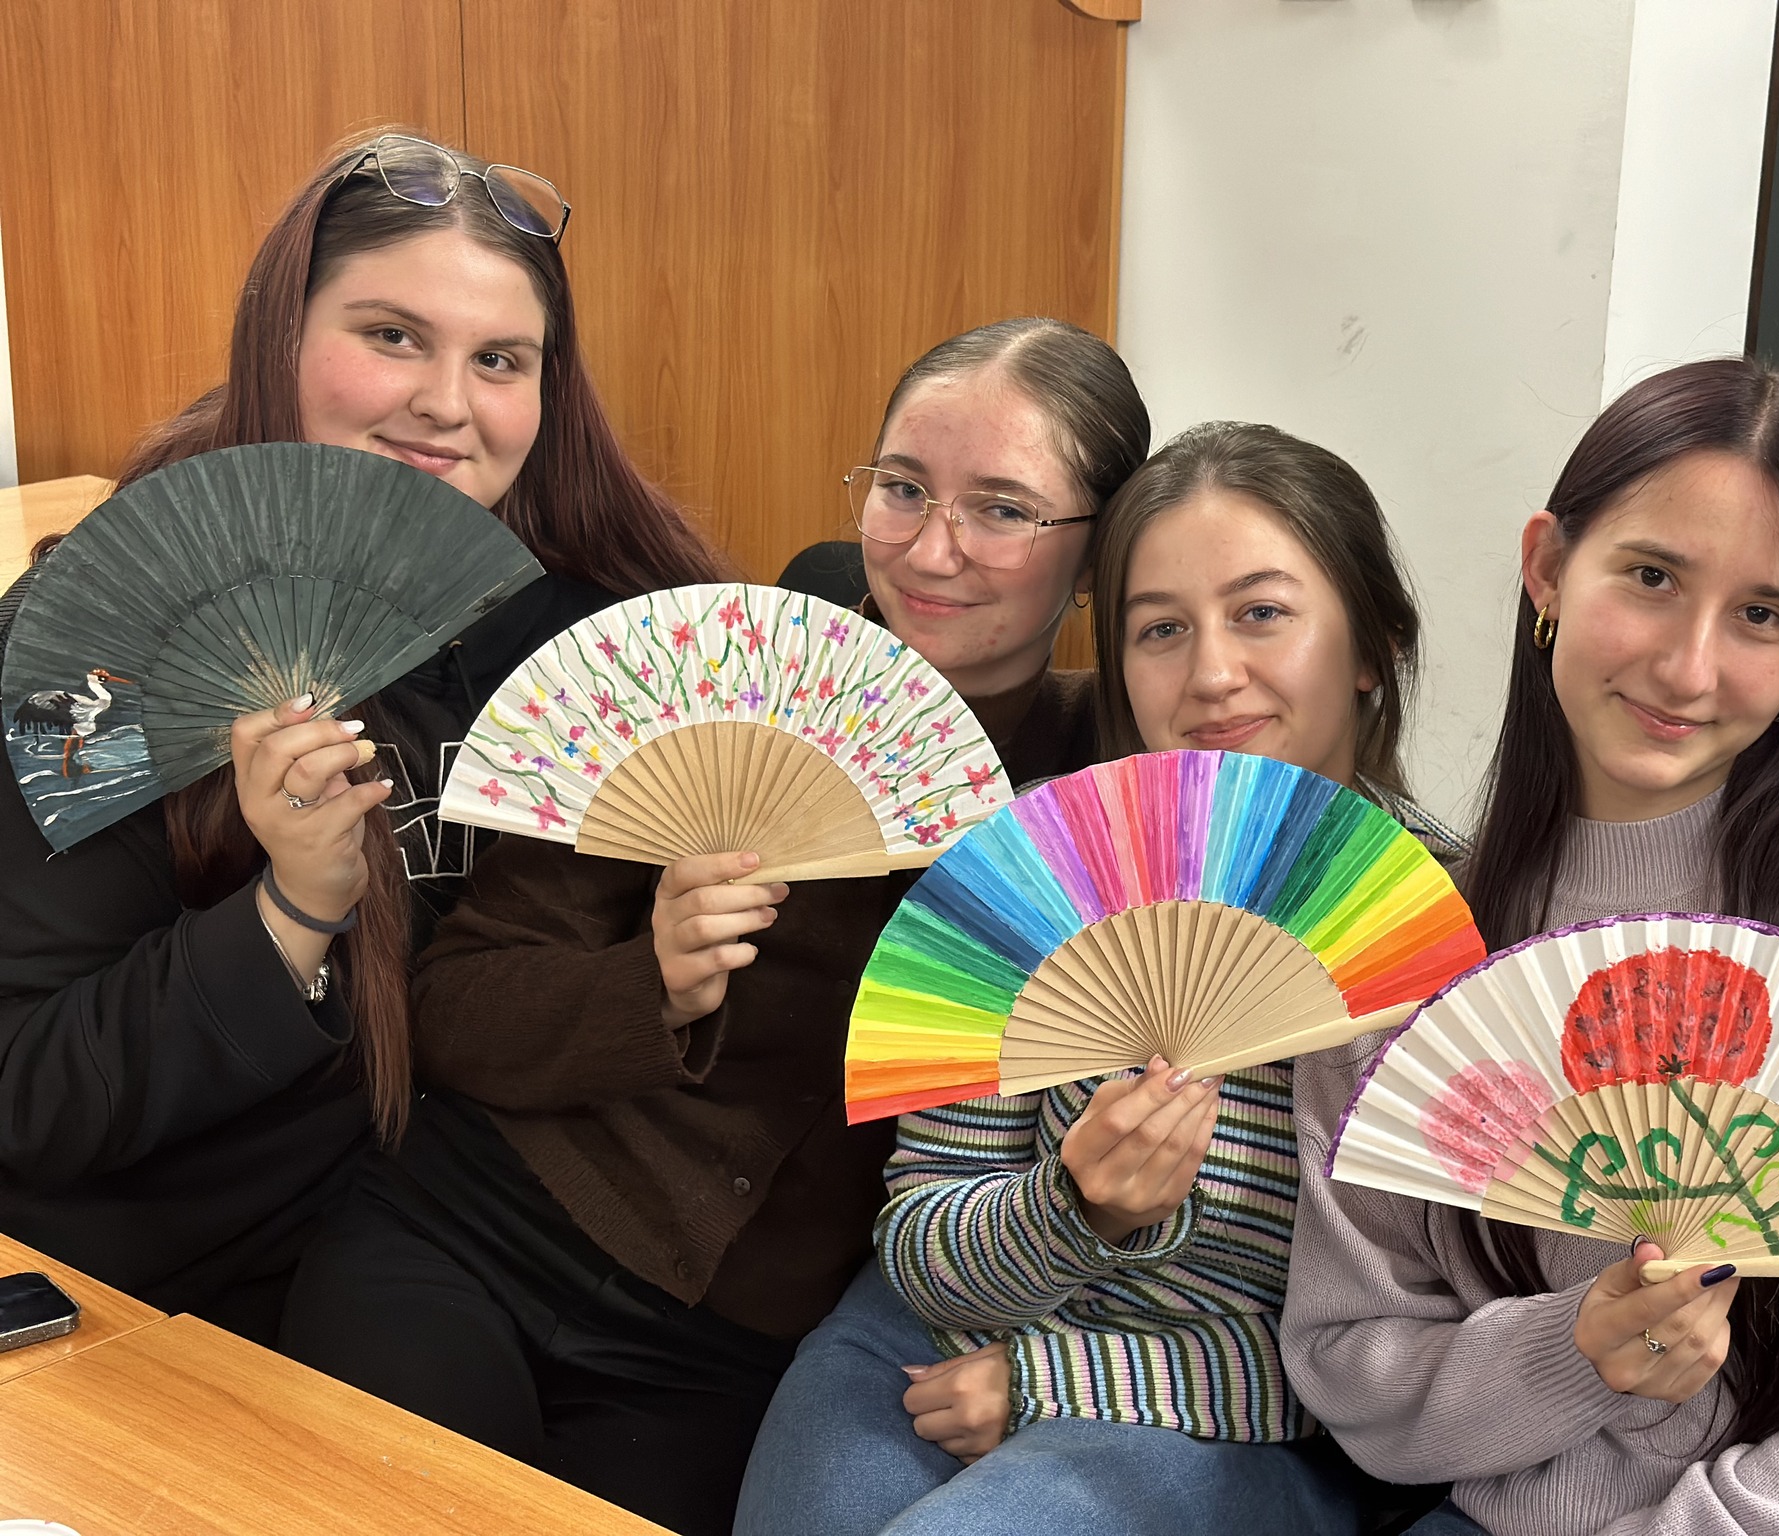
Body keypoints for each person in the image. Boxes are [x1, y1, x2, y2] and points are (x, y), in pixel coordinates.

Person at [276, 318, 1149, 1535]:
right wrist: (652, 985)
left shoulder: (1111, 791)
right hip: (471, 1232)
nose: (931, 548)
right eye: (901, 489)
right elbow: (454, 1005)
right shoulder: (721, 676)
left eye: (1002, 509)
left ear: (1096, 555)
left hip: (722, 1352)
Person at [1280, 358, 1779, 1536]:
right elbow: (1355, 1368)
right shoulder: (1412, 940)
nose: (1687, 668)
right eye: (1649, 577)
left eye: (1761, 615)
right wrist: (1573, 1351)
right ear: (1545, 567)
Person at [0, 129, 724, 1345]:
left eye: (499, 359)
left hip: (475, 1259)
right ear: (278, 340)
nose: (446, 402)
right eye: (391, 335)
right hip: (151, 1304)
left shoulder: (602, 627)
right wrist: (291, 912)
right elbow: (28, 1099)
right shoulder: (103, 652)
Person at [733, 422, 1460, 1536]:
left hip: (1235, 1412)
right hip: (941, 1326)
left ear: (1371, 645)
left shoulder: (1445, 928)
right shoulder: (1037, 859)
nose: (1211, 674)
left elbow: (1405, 1359)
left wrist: (1061, 1381)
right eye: (1160, 628)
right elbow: (922, 1242)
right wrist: (1076, 1208)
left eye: (1262, 614)